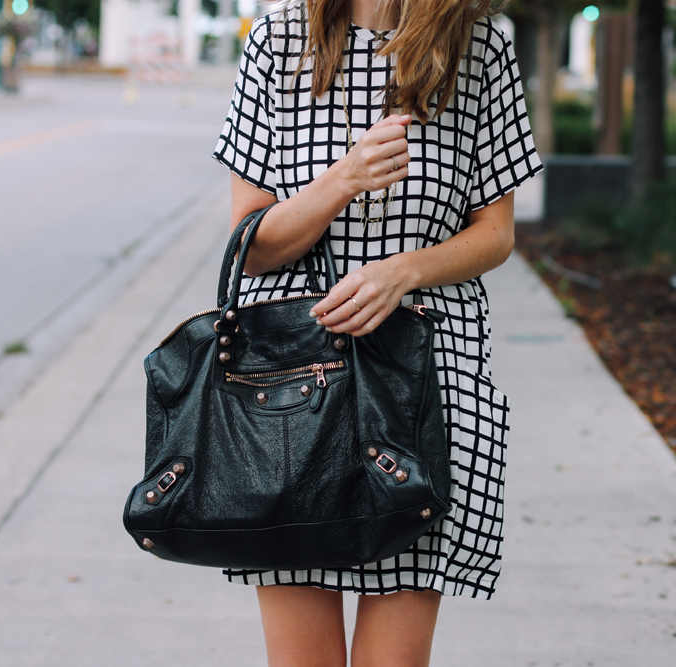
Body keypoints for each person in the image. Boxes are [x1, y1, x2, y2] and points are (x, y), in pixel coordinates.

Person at [211, 0, 541, 664]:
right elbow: (251, 243)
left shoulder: (479, 47)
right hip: (289, 385)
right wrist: (346, 178)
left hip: (426, 382)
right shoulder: (281, 39)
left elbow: (496, 231)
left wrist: (403, 270)